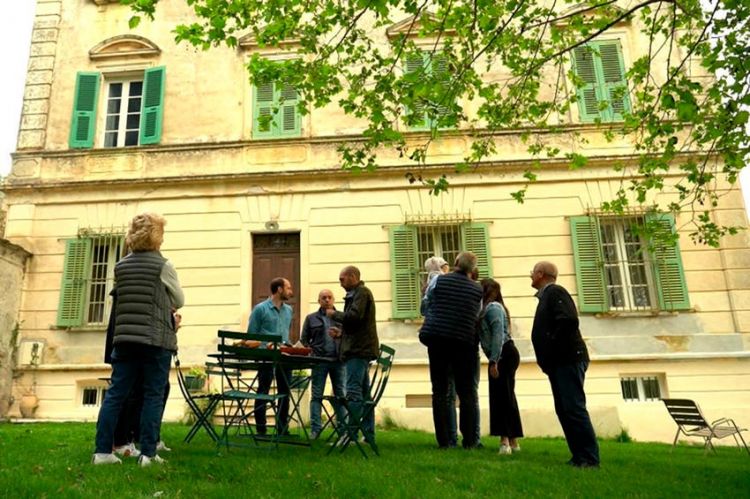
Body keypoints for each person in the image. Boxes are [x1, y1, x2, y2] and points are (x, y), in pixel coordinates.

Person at [92, 212, 184, 466]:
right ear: (156, 236)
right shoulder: (164, 265)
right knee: (153, 395)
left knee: (115, 394)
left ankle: (102, 453)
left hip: (124, 340)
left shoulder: (120, 266)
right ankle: (148, 454)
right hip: (155, 340)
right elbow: (179, 300)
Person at [530, 261, 600, 468]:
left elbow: (568, 320)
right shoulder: (547, 296)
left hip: (567, 359)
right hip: (559, 362)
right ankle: (579, 456)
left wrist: (551, 344)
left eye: (533, 273)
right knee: (564, 408)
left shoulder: (555, 292)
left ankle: (589, 457)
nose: (531, 276)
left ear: (541, 274)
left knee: (573, 407)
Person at [419, 251, 483, 449]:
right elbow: (477, 314)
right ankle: (470, 440)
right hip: (464, 342)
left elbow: (426, 305)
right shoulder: (477, 289)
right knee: (467, 392)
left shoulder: (439, 281)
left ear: (455, 263)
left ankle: (445, 441)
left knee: (440, 390)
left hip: (437, 338)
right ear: (472, 269)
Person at [326, 266, 379, 443]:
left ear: (353, 277)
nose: (340, 283)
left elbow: (354, 317)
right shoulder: (358, 294)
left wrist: (335, 314)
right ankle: (368, 434)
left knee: (354, 393)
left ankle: (350, 434)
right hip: (359, 348)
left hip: (358, 350)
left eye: (342, 279)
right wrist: (341, 333)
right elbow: (357, 324)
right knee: (364, 395)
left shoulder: (362, 293)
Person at [478, 278, 523, 455]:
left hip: (503, 354)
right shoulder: (495, 308)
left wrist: (494, 360)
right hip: (505, 354)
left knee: (501, 397)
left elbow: (497, 335)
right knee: (507, 396)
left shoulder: (493, 308)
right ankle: (513, 440)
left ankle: (505, 441)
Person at [247, 277, 294, 436]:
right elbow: (251, 336)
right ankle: (261, 428)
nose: (291, 291)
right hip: (266, 355)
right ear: (279, 289)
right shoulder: (260, 309)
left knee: (285, 391)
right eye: (288, 288)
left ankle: (282, 428)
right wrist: (264, 346)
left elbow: (286, 334)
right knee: (263, 389)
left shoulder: (289, 310)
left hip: (284, 355)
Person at [300, 289, 346, 439]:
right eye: (323, 298)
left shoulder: (341, 317)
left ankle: (342, 429)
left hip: (339, 361)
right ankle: (315, 429)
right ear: (318, 301)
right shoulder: (311, 318)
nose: (327, 300)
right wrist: (312, 351)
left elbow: (348, 336)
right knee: (317, 395)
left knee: (340, 395)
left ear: (334, 300)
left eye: (329, 297)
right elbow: (304, 339)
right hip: (319, 361)